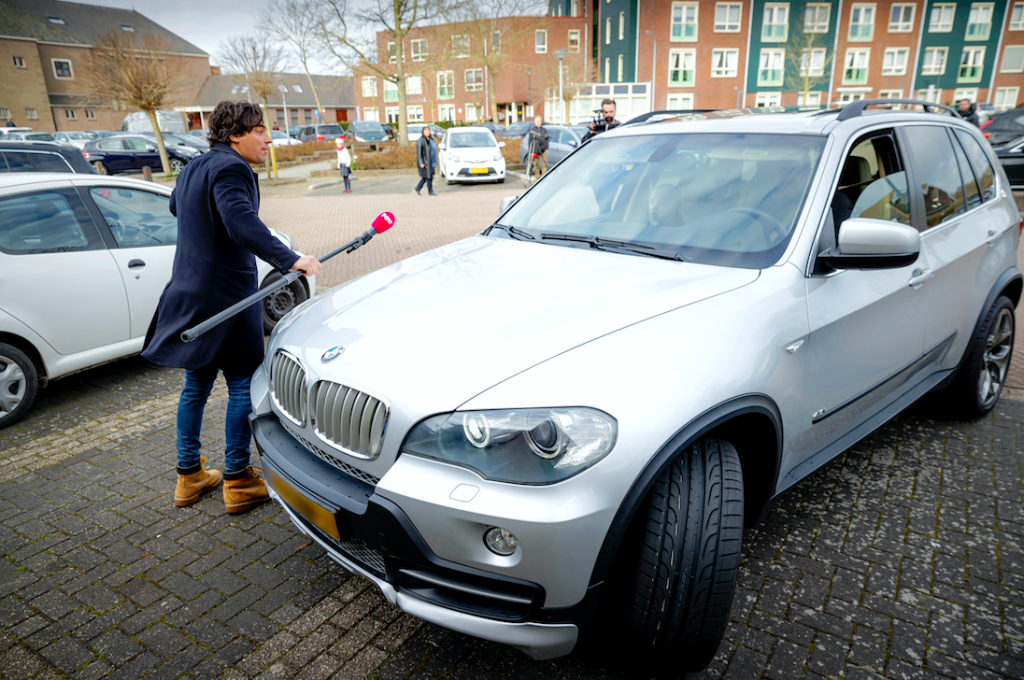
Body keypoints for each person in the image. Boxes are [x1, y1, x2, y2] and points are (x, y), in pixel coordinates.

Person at [143, 100, 322, 514]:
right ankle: (238, 480)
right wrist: (291, 258)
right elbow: (240, 221)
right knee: (242, 383)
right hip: (227, 298)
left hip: (190, 292)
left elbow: (177, 206)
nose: (269, 138)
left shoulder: (193, 167)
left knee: (197, 384)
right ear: (235, 135)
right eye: (260, 130)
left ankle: (189, 476)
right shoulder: (231, 168)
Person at [415, 126, 438, 196]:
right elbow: (419, 153)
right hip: (426, 162)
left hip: (431, 161)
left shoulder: (430, 139)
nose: (427, 131)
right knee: (429, 176)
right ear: (423, 131)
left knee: (426, 176)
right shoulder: (421, 140)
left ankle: (418, 187)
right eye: (426, 130)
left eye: (428, 130)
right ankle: (430, 191)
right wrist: (421, 162)